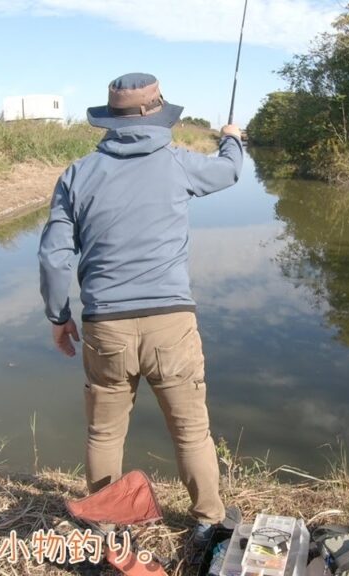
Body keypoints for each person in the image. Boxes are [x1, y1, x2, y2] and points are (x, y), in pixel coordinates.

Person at [38, 72, 243, 548]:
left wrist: (57, 316)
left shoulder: (77, 174)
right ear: (157, 112)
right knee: (192, 432)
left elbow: (53, 257)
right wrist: (231, 140)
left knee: (103, 432)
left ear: (110, 119)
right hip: (172, 323)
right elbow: (229, 171)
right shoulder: (177, 164)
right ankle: (208, 522)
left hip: (104, 326)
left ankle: (107, 523)